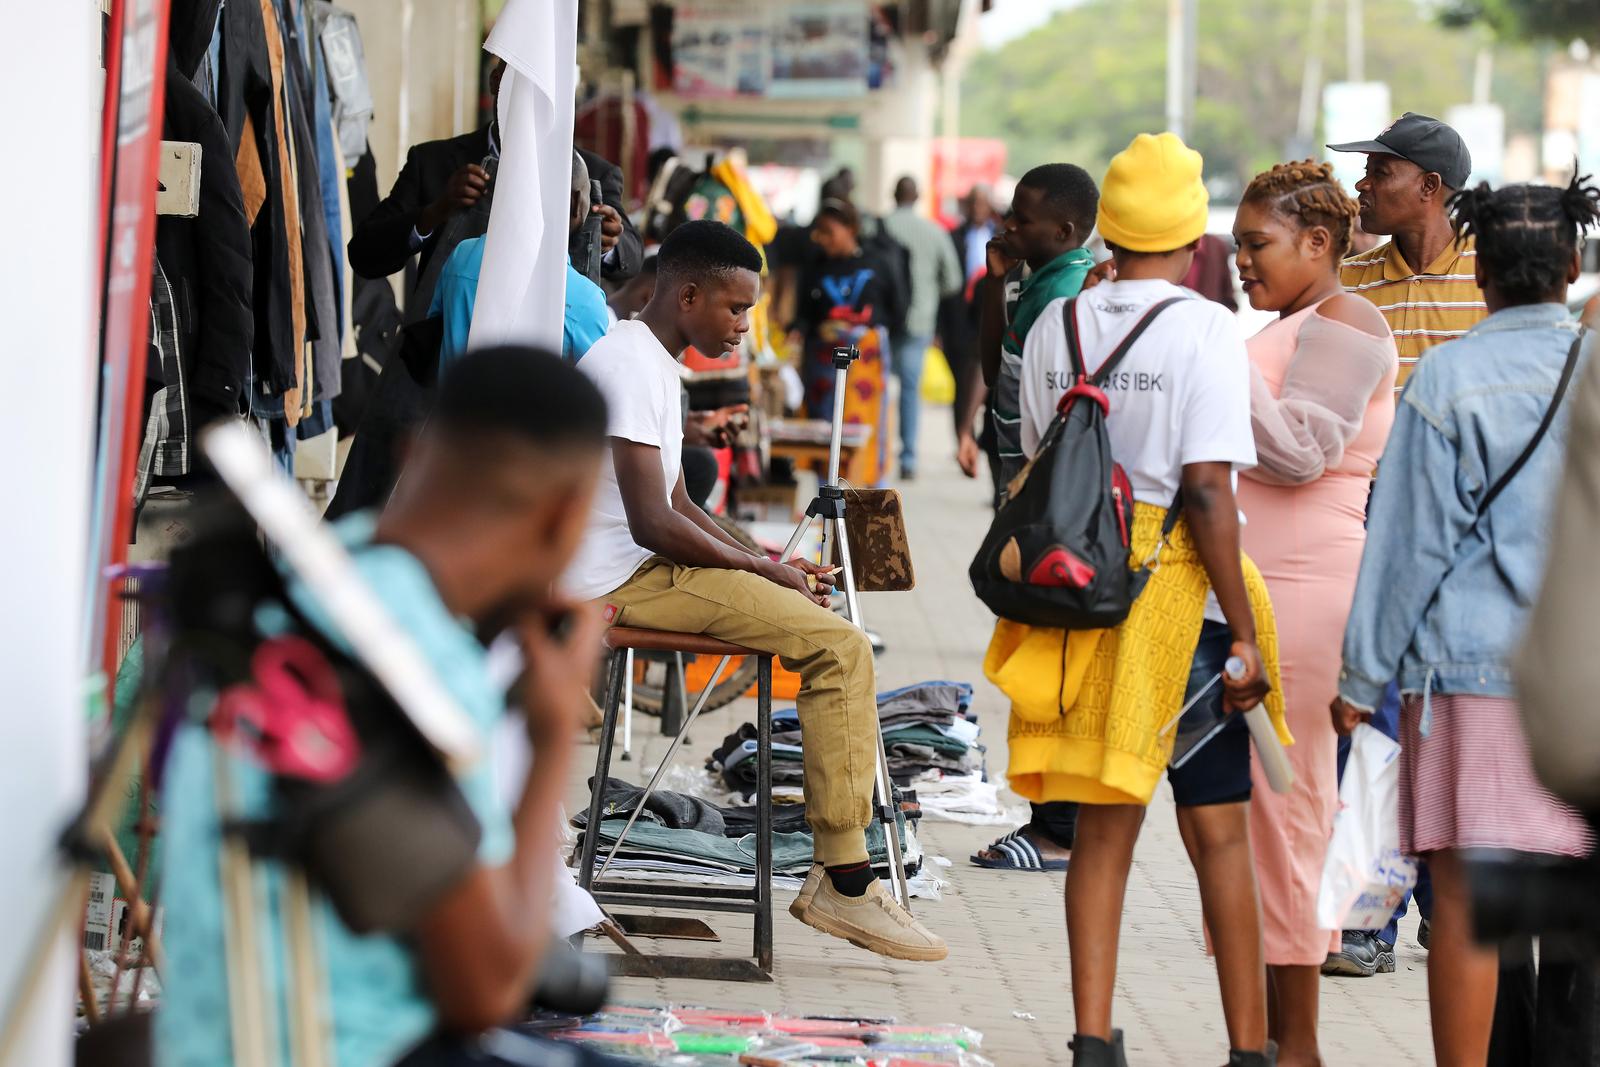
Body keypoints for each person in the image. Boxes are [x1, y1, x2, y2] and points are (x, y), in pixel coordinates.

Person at [156, 346, 630, 1067]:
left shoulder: (313, 585)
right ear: (568, 510)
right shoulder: (413, 658)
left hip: (209, 1036)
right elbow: (491, 986)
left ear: (414, 450)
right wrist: (554, 732)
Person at [563, 219, 947, 962]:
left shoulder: (648, 358)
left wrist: (766, 556)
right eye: (735, 309)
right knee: (840, 648)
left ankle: (843, 871)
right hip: (618, 583)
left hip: (640, 569)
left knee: (830, 634)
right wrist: (760, 569)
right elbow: (652, 522)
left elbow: (679, 502)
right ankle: (844, 877)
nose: (744, 325)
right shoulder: (631, 365)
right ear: (688, 294)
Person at [1004, 133, 1283, 1067]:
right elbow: (1206, 490)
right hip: (1183, 616)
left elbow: (1049, 467)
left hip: (1083, 600)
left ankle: (1092, 1042)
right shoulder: (1206, 327)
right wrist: (1244, 637)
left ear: (1109, 227)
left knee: (1101, 837)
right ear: (1193, 231)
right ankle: (1249, 1049)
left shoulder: (1058, 325)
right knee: (1220, 837)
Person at [1330, 173, 1599, 1067]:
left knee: (1475, 907)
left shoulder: (1447, 378)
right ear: (1571, 263)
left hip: (1470, 678)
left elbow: (1406, 544)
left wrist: (1362, 676)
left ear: (1481, 270)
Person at [1230, 160, 1398, 1067]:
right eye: (1236, 246)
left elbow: (1301, 452)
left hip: (1301, 596)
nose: (1240, 264)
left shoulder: (1347, 322)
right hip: (1269, 592)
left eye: (1257, 246)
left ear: (1319, 243)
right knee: (1264, 813)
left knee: (1287, 815)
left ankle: (1295, 1046)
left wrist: (1211, 359)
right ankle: (1264, 1038)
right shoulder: (1296, 321)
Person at [1323, 110, 1484, 977]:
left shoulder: (1493, 280)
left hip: (1470, 539)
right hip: (1373, 526)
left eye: (1378, 171)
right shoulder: (1350, 276)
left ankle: (1437, 904)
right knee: (1373, 718)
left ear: (1428, 187)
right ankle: (1367, 915)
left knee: (1449, 724)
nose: (1362, 184)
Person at [966, 165, 1101, 875]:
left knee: (1048, 659)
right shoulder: (1036, 282)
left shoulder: (1071, 294)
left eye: (1021, 219)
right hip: (1025, 489)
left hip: (1049, 503)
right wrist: (1000, 281)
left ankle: (1058, 827)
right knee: (1033, 651)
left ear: (1067, 231)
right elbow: (996, 368)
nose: (1007, 227)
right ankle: (1051, 819)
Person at [348, 61, 641, 286]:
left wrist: (607, 242)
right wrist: (437, 211)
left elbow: (631, 254)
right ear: (495, 81)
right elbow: (363, 255)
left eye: (542, 90)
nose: (529, 102)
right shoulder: (433, 161)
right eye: (519, 84)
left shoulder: (593, 173)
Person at [430, 151, 611, 368]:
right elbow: (595, 388)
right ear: (574, 202)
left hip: (451, 400)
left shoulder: (463, 255)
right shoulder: (585, 301)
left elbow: (434, 326)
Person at [792, 199, 906, 428]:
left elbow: (897, 308)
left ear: (851, 229)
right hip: (823, 365)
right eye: (819, 232)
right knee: (823, 426)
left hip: (865, 365)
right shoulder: (815, 266)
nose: (822, 239)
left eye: (829, 232)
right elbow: (804, 313)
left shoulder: (878, 263)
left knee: (861, 426)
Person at [882, 175, 963, 479]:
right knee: (910, 389)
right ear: (917, 197)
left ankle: (874, 455)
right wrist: (928, 294)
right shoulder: (934, 232)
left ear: (894, 194)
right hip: (919, 319)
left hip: (883, 322)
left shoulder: (880, 227)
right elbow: (952, 281)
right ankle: (908, 458)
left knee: (873, 388)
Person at [946, 186, 998, 474]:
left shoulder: (1001, 234)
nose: (978, 208)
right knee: (964, 380)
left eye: (983, 203)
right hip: (964, 319)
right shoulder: (955, 236)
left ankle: (970, 437)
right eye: (974, 203)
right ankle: (963, 436)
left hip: (989, 310)